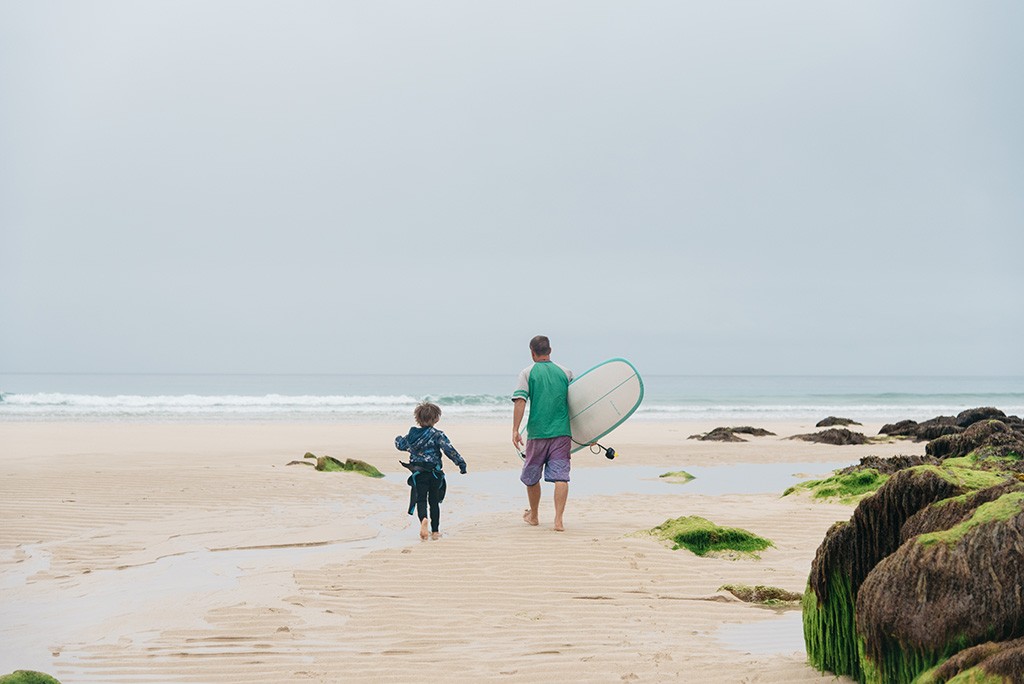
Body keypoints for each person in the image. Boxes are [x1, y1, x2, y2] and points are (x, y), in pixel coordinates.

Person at [512, 335, 574, 531]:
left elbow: (520, 401)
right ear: (550, 351)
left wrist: (515, 429)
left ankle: (534, 515)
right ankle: (558, 520)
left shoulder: (527, 373)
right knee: (561, 476)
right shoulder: (566, 372)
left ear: (532, 352)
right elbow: (579, 404)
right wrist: (589, 433)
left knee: (531, 476)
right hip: (562, 433)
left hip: (537, 433)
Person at [395, 402, 467, 540]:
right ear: (436, 419)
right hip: (435, 473)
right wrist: (461, 463)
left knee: (421, 500)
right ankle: (435, 531)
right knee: (434, 501)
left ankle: (423, 520)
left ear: (417, 419)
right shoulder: (437, 435)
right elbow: (449, 450)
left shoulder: (411, 436)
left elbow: (400, 445)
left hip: (419, 474)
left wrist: (397, 438)